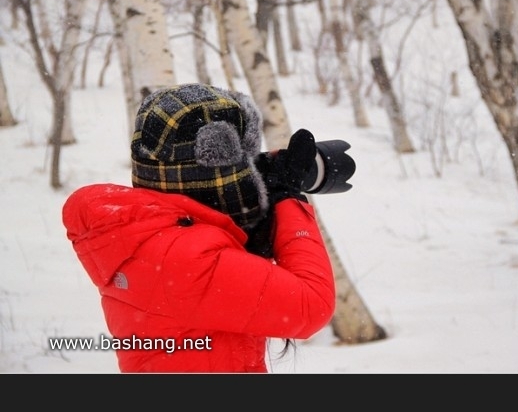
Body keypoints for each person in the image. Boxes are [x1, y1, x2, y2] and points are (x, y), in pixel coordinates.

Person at [62, 83, 336, 373]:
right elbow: (312, 304)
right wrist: (287, 197)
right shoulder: (187, 260)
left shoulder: (143, 233)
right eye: (242, 168)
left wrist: (248, 237)